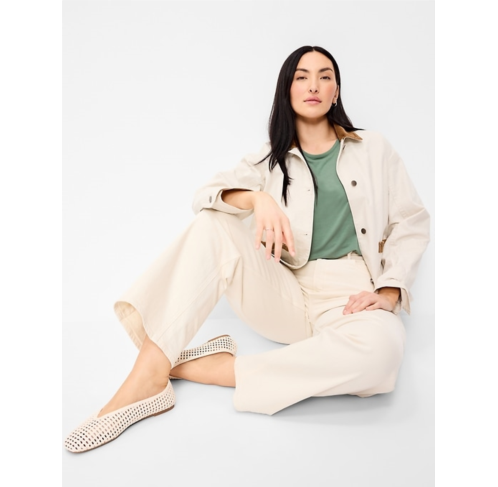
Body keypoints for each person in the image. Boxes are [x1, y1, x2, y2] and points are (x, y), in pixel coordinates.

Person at [64, 46, 431, 453]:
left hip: (351, 294)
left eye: (324, 76)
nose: (313, 85)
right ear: (287, 90)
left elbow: (411, 220)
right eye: (301, 77)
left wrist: (390, 289)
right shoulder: (268, 159)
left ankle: (208, 368)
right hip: (286, 289)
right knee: (214, 225)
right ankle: (148, 375)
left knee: (383, 354)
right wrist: (258, 199)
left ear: (336, 91)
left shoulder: (373, 148)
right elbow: (204, 196)